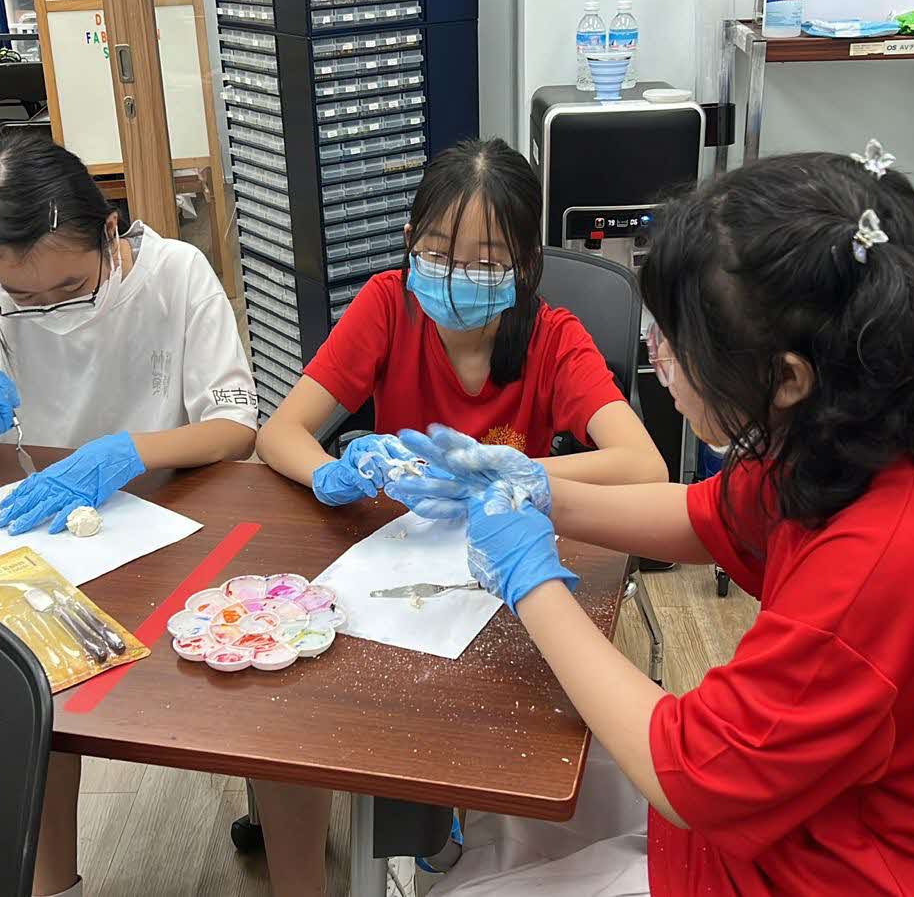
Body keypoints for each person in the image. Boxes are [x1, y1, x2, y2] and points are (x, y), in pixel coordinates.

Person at [392, 145, 914, 896]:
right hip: (847, 809)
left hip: (866, 872)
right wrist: (542, 490)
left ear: (785, 376)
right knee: (524, 778)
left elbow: (692, 775)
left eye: (681, 346)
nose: (661, 361)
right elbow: (708, 512)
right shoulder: (878, 428)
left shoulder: (880, 565)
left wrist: (532, 581)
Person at [0, 135, 257, 897]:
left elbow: (234, 427)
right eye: (22, 297)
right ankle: (54, 882)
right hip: (43, 534)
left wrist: (127, 450)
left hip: (166, 518)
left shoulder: (174, 276)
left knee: (214, 687)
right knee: (37, 682)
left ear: (108, 232)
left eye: (68, 285)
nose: (46, 308)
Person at [252, 138, 667, 896]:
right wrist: (333, 473)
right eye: (437, 250)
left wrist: (511, 473)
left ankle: (444, 834)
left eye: (483, 260)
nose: (453, 275)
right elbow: (279, 432)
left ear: (523, 266)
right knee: (299, 705)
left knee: (483, 728)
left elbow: (643, 465)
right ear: (411, 244)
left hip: (502, 579)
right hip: (395, 568)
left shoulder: (552, 337)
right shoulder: (387, 304)